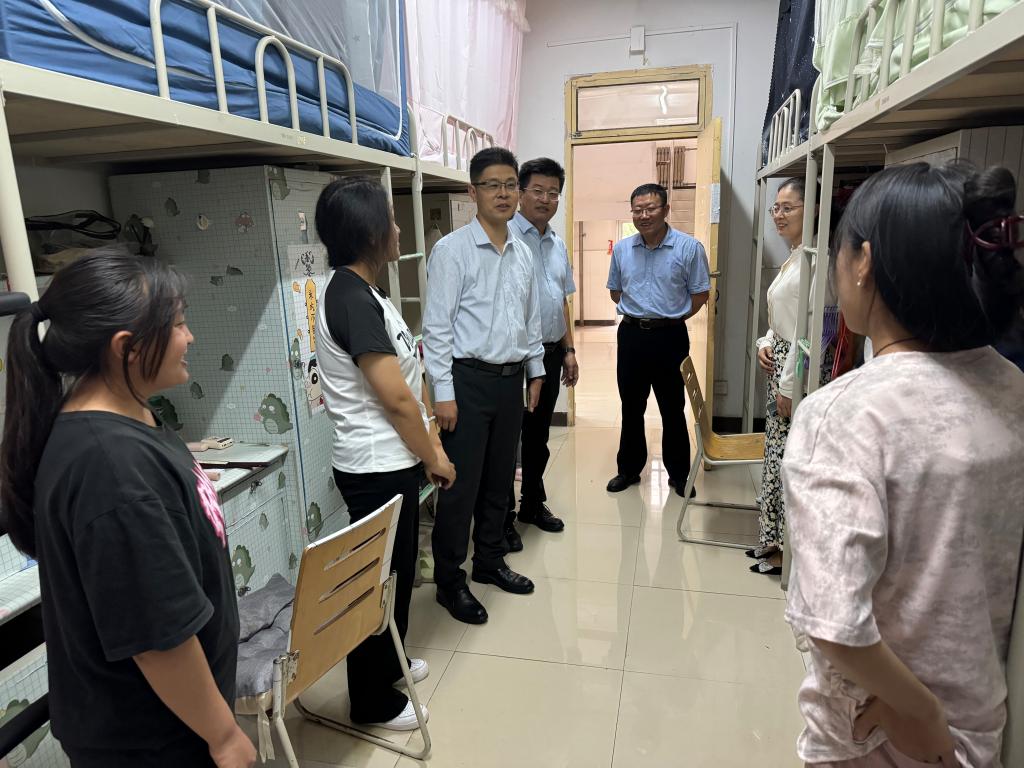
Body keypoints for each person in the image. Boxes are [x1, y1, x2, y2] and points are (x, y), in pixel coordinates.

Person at [782, 162, 1024, 767]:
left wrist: (921, 714)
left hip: (885, 729)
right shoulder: (1011, 388)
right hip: (980, 717)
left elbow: (834, 621)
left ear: (863, 261)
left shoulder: (846, 415)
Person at [0, 250, 256, 768]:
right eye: (178, 324)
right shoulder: (110, 468)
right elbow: (158, 639)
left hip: (174, 720)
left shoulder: (129, 419)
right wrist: (225, 736)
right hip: (154, 740)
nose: (190, 337)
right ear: (126, 349)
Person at [313, 178, 456, 730]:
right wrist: (435, 457)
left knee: (393, 573)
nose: (399, 229)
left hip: (390, 460)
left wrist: (428, 444)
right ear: (370, 232)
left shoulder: (364, 291)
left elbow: (406, 381)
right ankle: (370, 701)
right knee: (377, 582)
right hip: (375, 466)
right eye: (391, 221)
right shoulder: (350, 297)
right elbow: (395, 399)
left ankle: (389, 664)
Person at [423, 146, 545, 625]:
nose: (503, 193)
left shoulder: (523, 252)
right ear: (472, 192)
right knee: (460, 486)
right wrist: (443, 393)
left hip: (510, 381)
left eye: (510, 184)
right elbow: (437, 329)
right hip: (467, 382)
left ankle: (490, 560)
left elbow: (530, 320)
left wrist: (536, 369)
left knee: (499, 480)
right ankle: (450, 580)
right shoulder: (452, 251)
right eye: (492, 185)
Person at [751, 178, 835, 576]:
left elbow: (814, 334)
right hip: (783, 364)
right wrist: (765, 341)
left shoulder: (819, 260)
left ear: (813, 208)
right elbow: (784, 319)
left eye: (789, 207)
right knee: (776, 455)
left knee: (791, 459)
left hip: (798, 374)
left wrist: (788, 386)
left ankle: (787, 551)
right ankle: (772, 539)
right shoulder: (796, 256)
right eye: (776, 208)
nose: (779, 215)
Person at [605, 183, 711, 494]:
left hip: (670, 337)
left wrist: (672, 317)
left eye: (650, 208)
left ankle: (679, 475)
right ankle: (628, 470)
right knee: (631, 406)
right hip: (632, 336)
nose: (644, 215)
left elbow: (700, 294)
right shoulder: (623, 250)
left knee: (672, 407)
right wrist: (641, 311)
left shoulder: (689, 248)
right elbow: (615, 291)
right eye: (637, 210)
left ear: (665, 210)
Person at [502, 157, 579, 553]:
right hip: (513, 359)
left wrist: (568, 350)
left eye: (553, 193)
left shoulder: (556, 243)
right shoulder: (505, 238)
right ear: (520, 192)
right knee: (505, 441)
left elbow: (560, 301)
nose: (546, 199)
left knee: (538, 438)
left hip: (549, 355)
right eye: (538, 190)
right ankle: (501, 518)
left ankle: (531, 503)